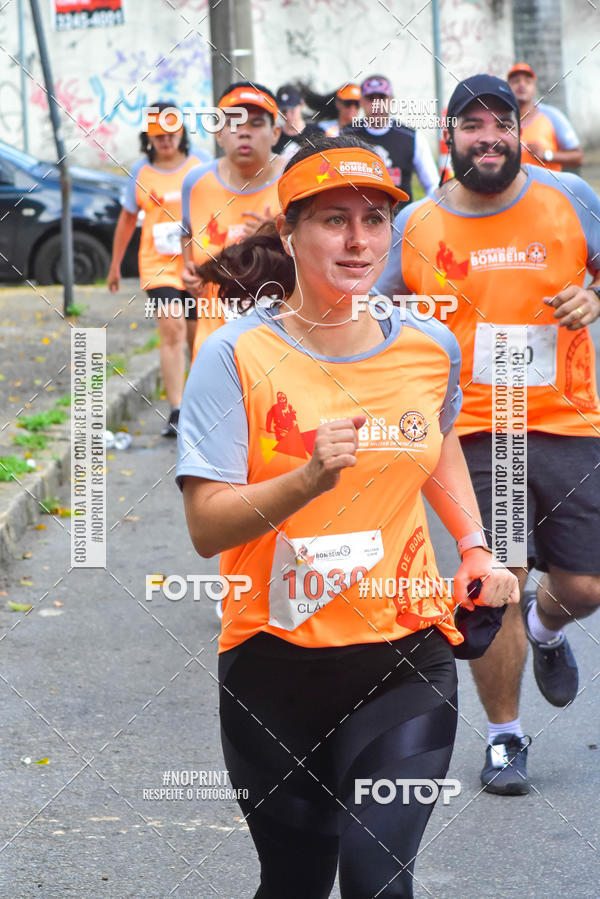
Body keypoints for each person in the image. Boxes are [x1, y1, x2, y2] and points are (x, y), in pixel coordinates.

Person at [176, 135, 518, 897]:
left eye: (374, 218)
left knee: (376, 876)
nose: (359, 239)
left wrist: (473, 544)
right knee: (296, 880)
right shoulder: (234, 356)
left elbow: (436, 443)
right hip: (272, 665)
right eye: (334, 219)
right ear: (291, 231)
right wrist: (306, 478)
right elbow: (206, 526)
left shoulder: (428, 347)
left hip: (403, 655)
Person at [375, 73, 600, 796]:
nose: (489, 136)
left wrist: (594, 293)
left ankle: (547, 627)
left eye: (500, 122)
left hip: (569, 417)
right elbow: (371, 310)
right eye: (471, 125)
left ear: (517, 130)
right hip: (475, 429)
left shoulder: (571, 198)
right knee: (493, 580)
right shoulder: (415, 224)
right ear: (450, 138)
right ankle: (505, 739)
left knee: (586, 584)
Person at [108, 102, 210, 437]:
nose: (165, 141)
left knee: (198, 336)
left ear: (181, 133)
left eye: (171, 134)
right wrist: (114, 267)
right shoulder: (140, 172)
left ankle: (201, 403)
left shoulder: (201, 164)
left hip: (197, 263)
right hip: (158, 266)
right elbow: (126, 220)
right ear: (148, 137)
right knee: (173, 330)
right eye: (158, 136)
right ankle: (178, 410)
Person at [180, 82, 285, 359]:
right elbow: (186, 233)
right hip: (213, 347)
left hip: (279, 349)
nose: (244, 132)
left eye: (256, 123)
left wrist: (273, 239)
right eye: (234, 123)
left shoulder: (295, 182)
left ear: (275, 133)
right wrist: (189, 273)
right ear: (218, 134)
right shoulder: (195, 181)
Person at [344, 74, 439, 203]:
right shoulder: (345, 136)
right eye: (370, 99)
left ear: (391, 100)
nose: (376, 104)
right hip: (358, 217)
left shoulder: (412, 137)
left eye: (382, 98)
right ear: (361, 102)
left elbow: (433, 186)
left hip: (401, 219)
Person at [507, 62, 583, 171]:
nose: (521, 84)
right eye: (515, 81)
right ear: (507, 87)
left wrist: (547, 155)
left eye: (528, 81)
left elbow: (578, 157)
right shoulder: (499, 119)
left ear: (534, 88)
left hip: (548, 186)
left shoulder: (552, 115)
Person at [271, 84, 324, 159]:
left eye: (292, 110)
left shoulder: (316, 132)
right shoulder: (274, 137)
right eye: (284, 111)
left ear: (302, 104)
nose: (288, 115)